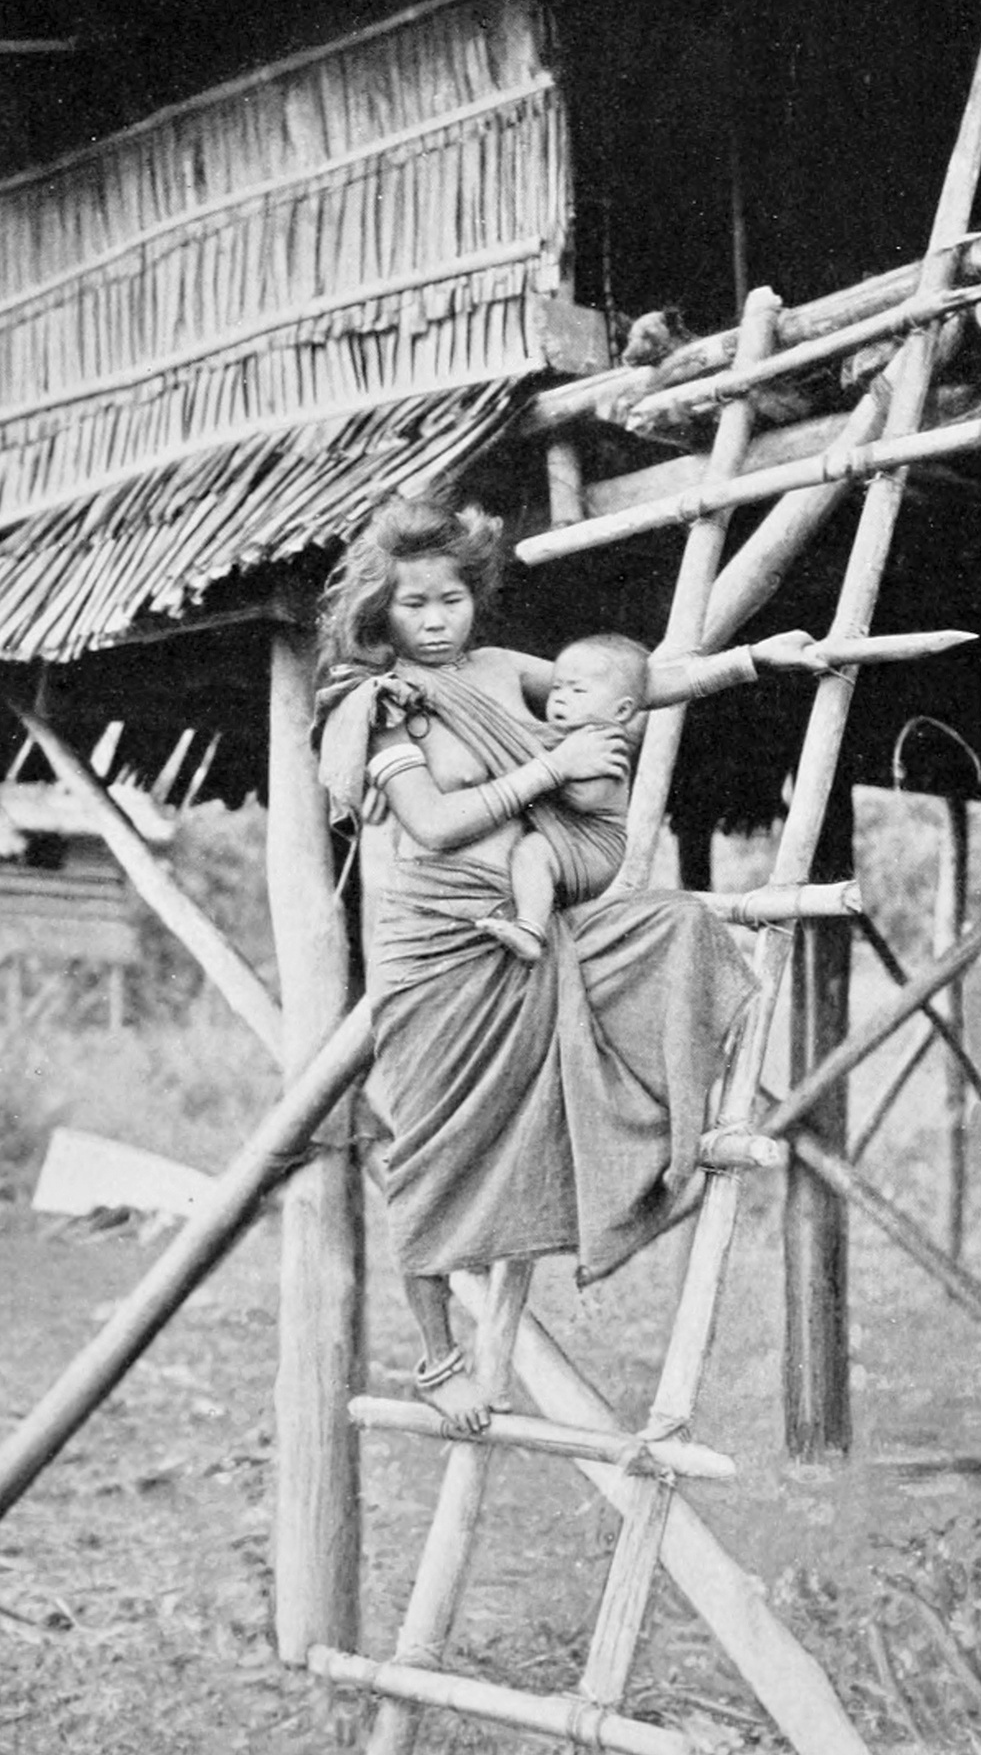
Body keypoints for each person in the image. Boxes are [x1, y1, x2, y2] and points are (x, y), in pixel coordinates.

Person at [315, 497, 822, 1433]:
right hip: (440, 948)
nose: (437, 621)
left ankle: (656, 1134)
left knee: (676, 926)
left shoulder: (504, 669)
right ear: (382, 610)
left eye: (453, 600)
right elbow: (436, 823)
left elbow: (626, 685)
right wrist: (552, 769)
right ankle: (437, 1360)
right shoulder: (383, 713)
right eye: (415, 605)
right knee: (431, 1151)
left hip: (539, 923)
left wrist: (753, 661)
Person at [476, 631, 649, 964]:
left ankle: (530, 932)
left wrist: (546, 772)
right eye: (557, 688)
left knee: (532, 852)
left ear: (621, 711)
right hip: (566, 840)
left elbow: (586, 798)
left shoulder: (605, 742)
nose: (561, 699)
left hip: (593, 848)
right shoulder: (559, 738)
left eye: (578, 691)